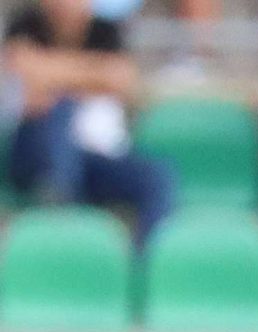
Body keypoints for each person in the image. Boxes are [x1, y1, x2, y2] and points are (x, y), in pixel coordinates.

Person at [3, 0, 173, 236]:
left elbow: (122, 79)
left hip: (93, 156)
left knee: (157, 176)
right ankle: (65, 224)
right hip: (36, 154)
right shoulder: (25, 24)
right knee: (59, 111)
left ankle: (146, 262)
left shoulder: (106, 30)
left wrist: (52, 74)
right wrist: (93, 77)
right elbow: (26, 77)